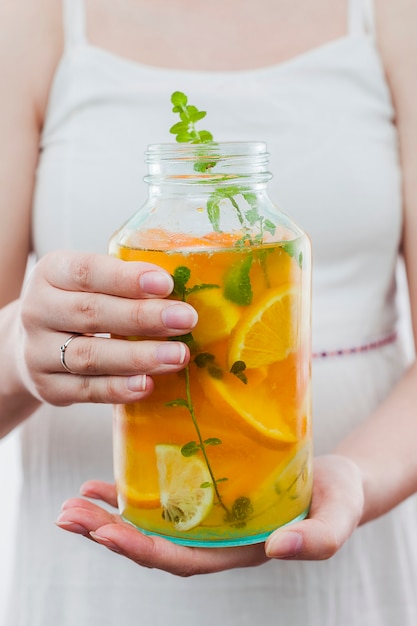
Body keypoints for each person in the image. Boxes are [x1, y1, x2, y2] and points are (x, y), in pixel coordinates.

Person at [1, 0, 417, 623]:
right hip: (93, 577)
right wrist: (18, 356)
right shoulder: (29, 19)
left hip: (345, 551)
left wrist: (357, 475)